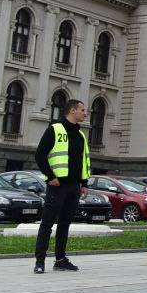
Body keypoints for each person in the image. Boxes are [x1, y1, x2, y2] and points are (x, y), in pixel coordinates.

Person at [33, 98, 90, 274]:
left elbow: (84, 161)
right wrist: (50, 177)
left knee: (65, 224)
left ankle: (60, 259)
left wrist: (84, 183)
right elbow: (40, 154)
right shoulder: (55, 129)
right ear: (72, 111)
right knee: (47, 223)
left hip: (74, 186)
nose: (84, 113)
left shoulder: (80, 135)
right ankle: (40, 261)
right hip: (58, 185)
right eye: (82, 110)